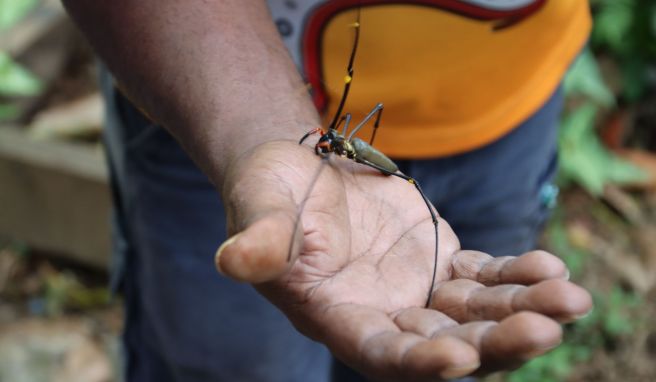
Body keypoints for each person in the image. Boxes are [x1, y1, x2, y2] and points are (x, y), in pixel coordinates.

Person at [62, 1, 593, 381]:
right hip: (209, 100)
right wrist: (258, 130)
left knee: (446, 349)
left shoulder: (342, 146)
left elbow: (332, 154)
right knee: (232, 360)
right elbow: (318, 157)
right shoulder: (324, 144)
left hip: (511, 102)